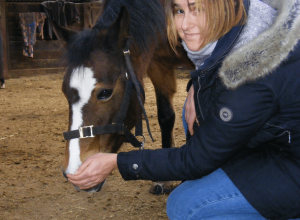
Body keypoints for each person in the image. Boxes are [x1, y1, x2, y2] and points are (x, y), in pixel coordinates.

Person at [67, 0, 300, 219]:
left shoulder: (252, 73)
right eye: (179, 10)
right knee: (194, 112)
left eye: (197, 8)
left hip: (292, 165)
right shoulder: (248, 29)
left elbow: (196, 159)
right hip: (274, 144)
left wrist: (117, 162)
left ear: (223, 6)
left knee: (186, 204)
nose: (185, 25)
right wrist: (196, 85)